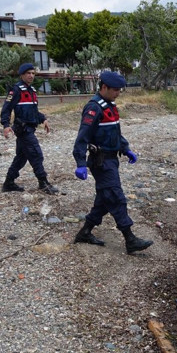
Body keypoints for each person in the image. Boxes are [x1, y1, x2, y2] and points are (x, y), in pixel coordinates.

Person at [72, 71, 153, 254]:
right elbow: (82, 138)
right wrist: (80, 163)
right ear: (104, 87)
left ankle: (85, 232)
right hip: (101, 162)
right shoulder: (94, 108)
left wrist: (126, 149)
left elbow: (115, 132)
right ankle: (130, 239)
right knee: (116, 197)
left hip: (112, 160)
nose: (118, 93)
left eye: (119, 90)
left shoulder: (110, 106)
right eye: (115, 90)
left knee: (104, 200)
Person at [0, 63, 58, 194]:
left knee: (21, 157)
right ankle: (43, 182)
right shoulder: (16, 90)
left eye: (33, 73)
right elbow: (6, 109)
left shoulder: (31, 91)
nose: (31, 76)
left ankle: (8, 183)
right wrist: (6, 125)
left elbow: (33, 111)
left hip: (30, 128)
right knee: (36, 154)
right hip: (23, 130)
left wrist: (43, 119)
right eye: (28, 73)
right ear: (22, 75)